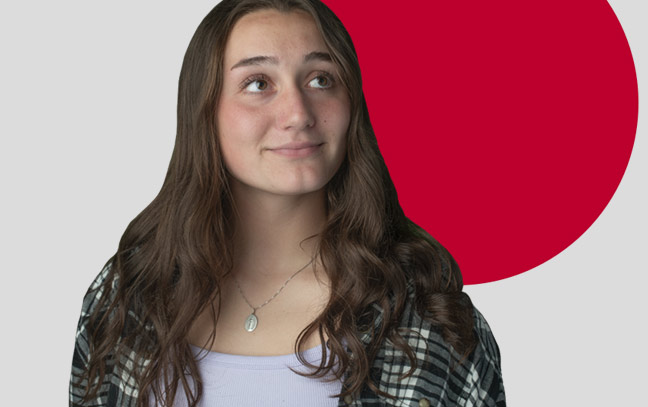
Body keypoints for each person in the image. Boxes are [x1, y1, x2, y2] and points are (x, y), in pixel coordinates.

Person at [69, 0, 506, 406]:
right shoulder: (126, 298)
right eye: (258, 83)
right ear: (204, 110)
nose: (298, 112)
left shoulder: (431, 319)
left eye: (321, 79)